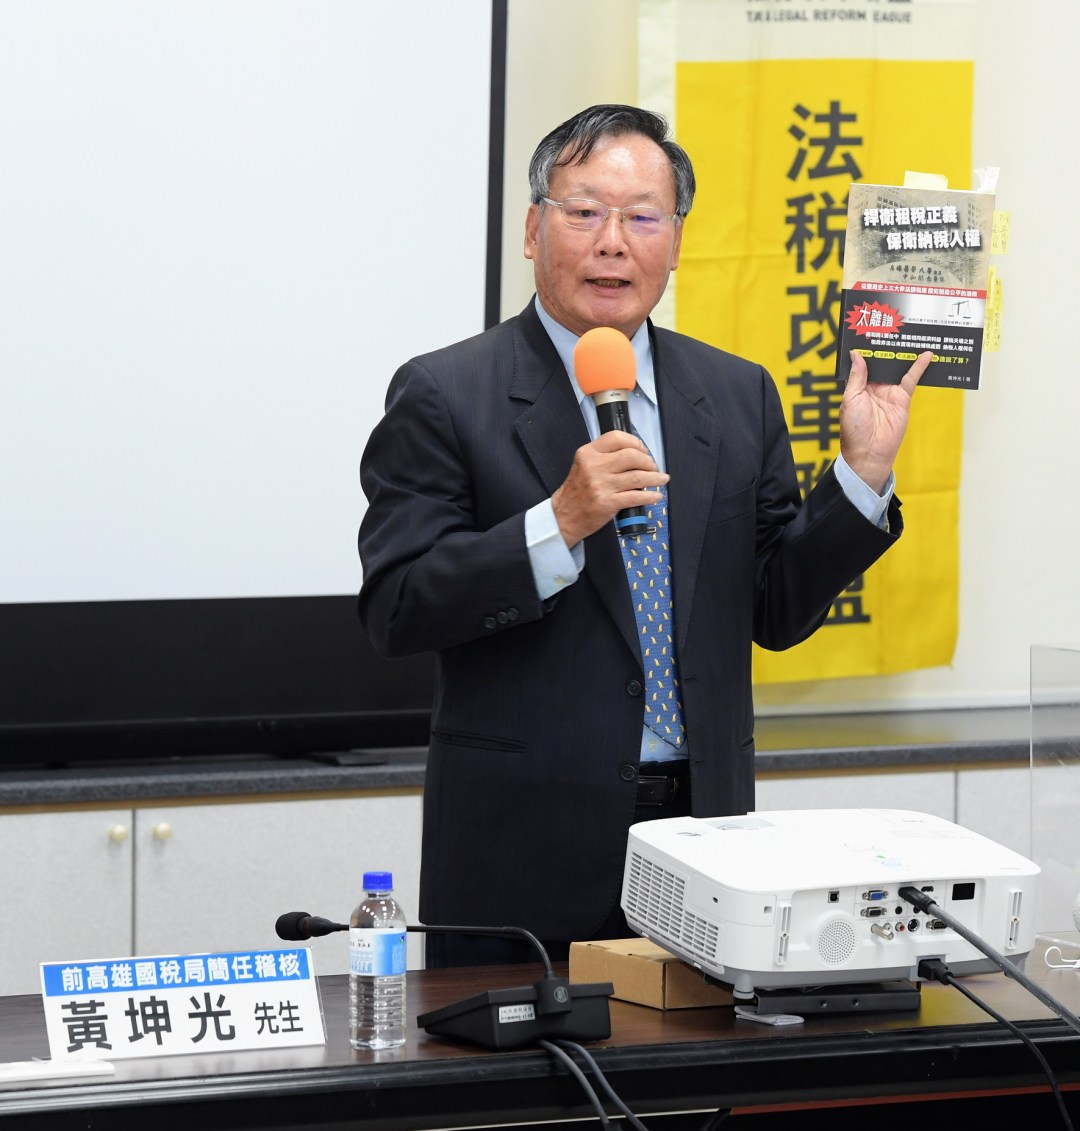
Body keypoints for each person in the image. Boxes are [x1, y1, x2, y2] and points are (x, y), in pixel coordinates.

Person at [357, 104, 929, 968]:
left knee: (702, 1060)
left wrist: (862, 474)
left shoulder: (736, 393)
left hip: (708, 840)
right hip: (523, 850)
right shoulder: (446, 393)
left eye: (642, 217)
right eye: (585, 212)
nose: (613, 243)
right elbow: (398, 604)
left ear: (677, 240)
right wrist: (558, 522)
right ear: (533, 229)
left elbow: (774, 608)